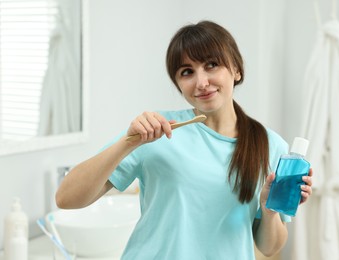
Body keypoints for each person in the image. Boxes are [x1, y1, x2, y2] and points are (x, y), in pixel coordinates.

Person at [56, 20, 313, 260]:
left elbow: (270, 247)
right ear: (179, 84)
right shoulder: (158, 130)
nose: (201, 82)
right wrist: (128, 142)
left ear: (235, 69)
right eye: (187, 72)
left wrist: (268, 211)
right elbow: (66, 198)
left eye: (212, 65)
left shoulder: (271, 145)